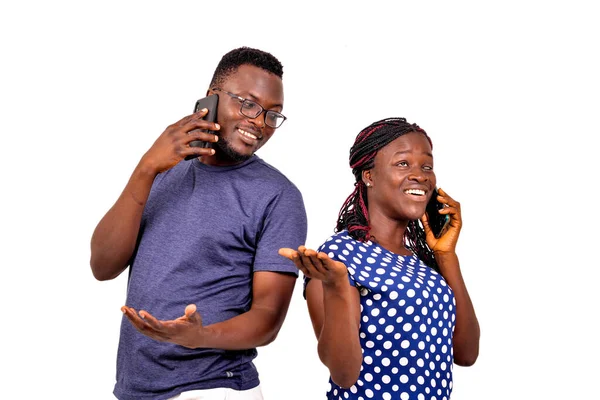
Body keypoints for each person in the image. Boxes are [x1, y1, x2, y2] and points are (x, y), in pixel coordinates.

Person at [90, 47, 307, 400]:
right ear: (211, 96)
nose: (259, 122)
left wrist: (198, 336)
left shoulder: (278, 196)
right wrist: (146, 168)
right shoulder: (162, 170)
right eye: (248, 104)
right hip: (135, 389)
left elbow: (268, 318)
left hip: (213, 387)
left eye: (272, 114)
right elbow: (102, 265)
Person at [280, 118, 480, 400]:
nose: (420, 175)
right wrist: (338, 286)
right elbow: (344, 373)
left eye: (427, 166)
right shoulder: (338, 255)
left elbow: (467, 353)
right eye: (403, 164)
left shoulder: (423, 265)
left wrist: (446, 256)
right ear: (368, 176)